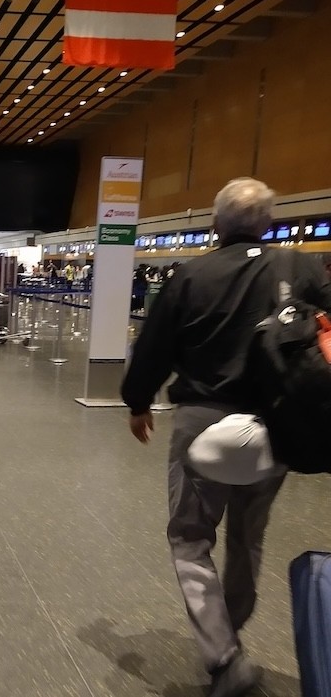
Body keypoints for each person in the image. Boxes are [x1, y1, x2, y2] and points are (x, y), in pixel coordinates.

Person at [121, 177, 331, 697]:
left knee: (190, 536)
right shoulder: (302, 267)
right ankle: (230, 634)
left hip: (203, 419)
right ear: (271, 223)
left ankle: (223, 653)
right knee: (247, 537)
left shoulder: (192, 274)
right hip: (278, 420)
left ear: (216, 225)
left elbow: (155, 346)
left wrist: (138, 400)